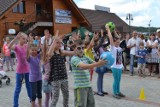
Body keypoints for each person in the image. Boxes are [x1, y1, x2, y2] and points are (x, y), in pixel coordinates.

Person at [71, 39, 105, 107]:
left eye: (83, 48)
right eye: (79, 48)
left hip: (88, 85)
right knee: (81, 105)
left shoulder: (85, 57)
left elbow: (95, 63)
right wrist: (97, 64)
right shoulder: (74, 58)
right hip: (80, 87)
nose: (81, 50)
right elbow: (83, 66)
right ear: (74, 48)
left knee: (91, 104)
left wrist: (102, 62)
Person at [47, 31, 75, 107]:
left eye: (60, 43)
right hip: (56, 79)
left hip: (64, 77)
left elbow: (73, 53)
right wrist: (55, 40)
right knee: (55, 97)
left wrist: (78, 47)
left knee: (66, 95)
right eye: (57, 43)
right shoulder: (52, 53)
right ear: (53, 43)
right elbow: (49, 53)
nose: (59, 44)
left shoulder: (62, 52)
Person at [8, 32, 31, 107]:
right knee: (18, 88)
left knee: (29, 86)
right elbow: (9, 46)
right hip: (19, 71)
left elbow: (35, 47)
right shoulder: (16, 47)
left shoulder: (26, 46)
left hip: (27, 69)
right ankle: (15, 105)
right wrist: (15, 38)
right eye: (23, 39)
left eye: (25, 39)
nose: (24, 40)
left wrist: (31, 41)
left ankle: (32, 101)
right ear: (19, 39)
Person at [106, 25, 125, 99]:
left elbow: (118, 38)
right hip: (114, 67)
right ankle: (115, 93)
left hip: (119, 66)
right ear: (113, 42)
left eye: (118, 42)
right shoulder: (113, 48)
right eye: (116, 42)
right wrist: (108, 30)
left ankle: (118, 91)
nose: (118, 43)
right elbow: (110, 38)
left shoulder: (119, 48)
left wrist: (114, 30)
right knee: (116, 80)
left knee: (119, 80)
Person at [27, 42, 42, 107]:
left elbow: (44, 51)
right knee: (33, 94)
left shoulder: (38, 56)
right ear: (30, 50)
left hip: (39, 78)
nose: (34, 51)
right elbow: (26, 53)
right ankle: (33, 105)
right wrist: (29, 41)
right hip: (32, 79)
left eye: (35, 50)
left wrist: (42, 44)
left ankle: (40, 105)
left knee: (39, 93)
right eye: (32, 50)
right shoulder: (29, 58)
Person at [42, 37, 52, 107]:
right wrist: (45, 42)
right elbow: (45, 49)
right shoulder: (45, 58)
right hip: (47, 80)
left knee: (53, 96)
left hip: (53, 80)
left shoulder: (52, 57)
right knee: (47, 97)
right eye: (48, 49)